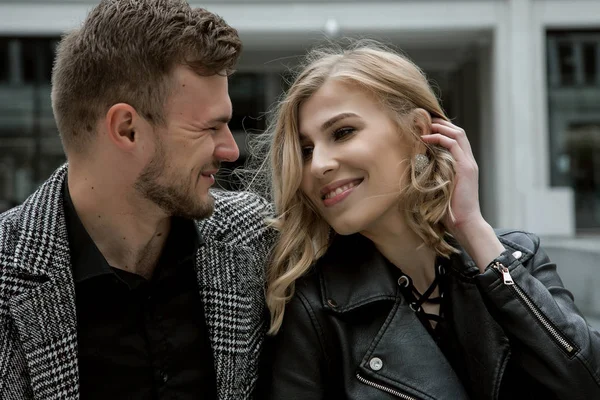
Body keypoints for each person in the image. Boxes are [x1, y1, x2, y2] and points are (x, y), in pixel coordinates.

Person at [259, 42, 600, 399]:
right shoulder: (312, 309)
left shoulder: (517, 257)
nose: (318, 165)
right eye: (306, 149)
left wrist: (472, 228)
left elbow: (586, 383)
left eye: (343, 132)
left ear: (418, 132)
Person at [0, 1, 274, 399]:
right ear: (127, 129)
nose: (230, 149)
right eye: (210, 127)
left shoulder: (256, 237)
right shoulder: (7, 275)